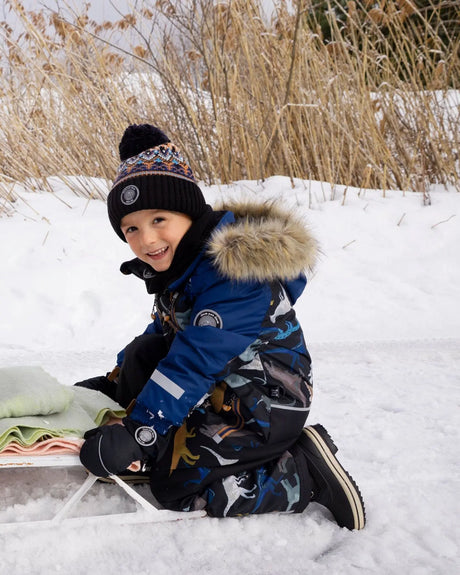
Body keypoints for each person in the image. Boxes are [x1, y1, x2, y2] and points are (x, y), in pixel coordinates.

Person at [77, 124, 365, 529]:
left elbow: (194, 361)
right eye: (132, 229)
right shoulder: (185, 266)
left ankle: (304, 471)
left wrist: (141, 431)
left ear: (189, 213)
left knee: (176, 484)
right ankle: (158, 437)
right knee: (146, 353)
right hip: (223, 388)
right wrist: (113, 385)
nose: (147, 239)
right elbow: (162, 338)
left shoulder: (235, 275)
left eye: (159, 219)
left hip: (265, 405)